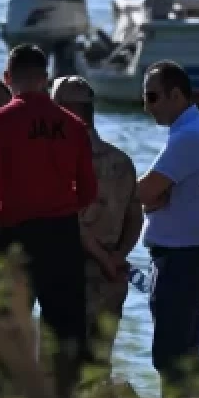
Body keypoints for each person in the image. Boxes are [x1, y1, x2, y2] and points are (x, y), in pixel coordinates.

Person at [0, 44, 97, 398]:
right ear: (46, 79)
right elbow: (88, 189)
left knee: (5, 328)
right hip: (61, 235)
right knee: (66, 329)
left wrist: (4, 217)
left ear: (8, 78)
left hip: (14, 234)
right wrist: (60, 208)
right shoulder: (73, 125)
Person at [134, 61, 199, 398]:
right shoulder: (190, 131)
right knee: (182, 354)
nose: (147, 105)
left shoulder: (189, 136)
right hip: (184, 256)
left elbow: (143, 191)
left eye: (153, 97)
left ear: (176, 95)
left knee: (171, 357)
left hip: (182, 259)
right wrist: (153, 197)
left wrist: (145, 197)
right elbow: (153, 194)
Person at [50, 75, 143, 374]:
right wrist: (117, 257)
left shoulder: (62, 159)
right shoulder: (122, 161)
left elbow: (72, 222)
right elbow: (135, 218)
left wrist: (103, 259)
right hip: (112, 278)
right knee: (98, 369)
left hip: (72, 276)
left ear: (65, 111)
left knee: (59, 370)